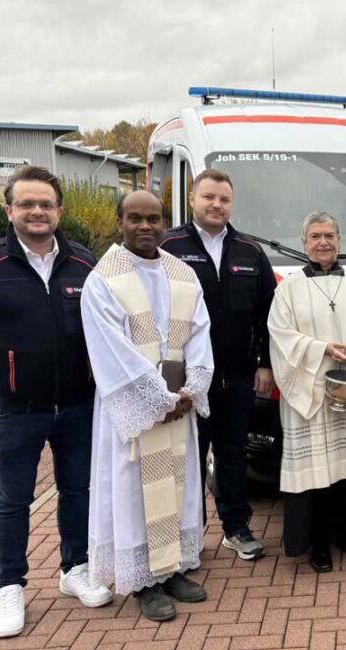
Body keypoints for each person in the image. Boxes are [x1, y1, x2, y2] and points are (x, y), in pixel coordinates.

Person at [0, 166, 111, 638]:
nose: (38, 212)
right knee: (14, 500)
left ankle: (76, 568)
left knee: (78, 491)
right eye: (27, 204)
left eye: (46, 204)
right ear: (10, 210)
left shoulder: (85, 264)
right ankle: (9, 585)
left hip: (76, 405)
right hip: (14, 411)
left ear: (59, 211)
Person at [82, 191, 214, 622]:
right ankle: (144, 583)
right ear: (119, 221)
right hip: (135, 413)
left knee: (177, 485)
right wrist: (158, 400)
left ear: (165, 223)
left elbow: (199, 332)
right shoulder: (102, 279)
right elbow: (111, 351)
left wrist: (192, 387)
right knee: (136, 493)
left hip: (179, 407)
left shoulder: (181, 274)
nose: (145, 227)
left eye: (154, 219)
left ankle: (172, 568)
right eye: (135, 218)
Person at [268, 211, 346, 573]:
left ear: (339, 241)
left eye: (329, 235)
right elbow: (281, 335)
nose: (322, 242)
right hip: (312, 394)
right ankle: (318, 543)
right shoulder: (288, 288)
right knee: (317, 471)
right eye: (314, 236)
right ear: (303, 243)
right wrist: (323, 348)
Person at [161, 169, 277, 561]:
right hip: (187, 379)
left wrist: (265, 363)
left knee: (232, 454)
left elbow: (268, 314)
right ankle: (185, 535)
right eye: (208, 197)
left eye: (224, 199)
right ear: (192, 200)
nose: (216, 205)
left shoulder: (250, 251)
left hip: (239, 374)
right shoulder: (168, 248)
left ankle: (236, 528)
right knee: (188, 456)